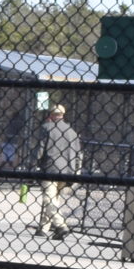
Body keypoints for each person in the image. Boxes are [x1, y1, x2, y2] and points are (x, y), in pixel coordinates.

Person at [29, 102, 83, 239]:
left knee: (48, 199)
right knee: (54, 198)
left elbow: (40, 149)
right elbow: (78, 154)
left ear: (51, 115)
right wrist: (76, 170)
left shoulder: (47, 128)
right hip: (68, 170)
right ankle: (43, 228)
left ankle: (61, 226)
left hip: (51, 168)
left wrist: (33, 164)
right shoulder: (72, 132)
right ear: (63, 115)